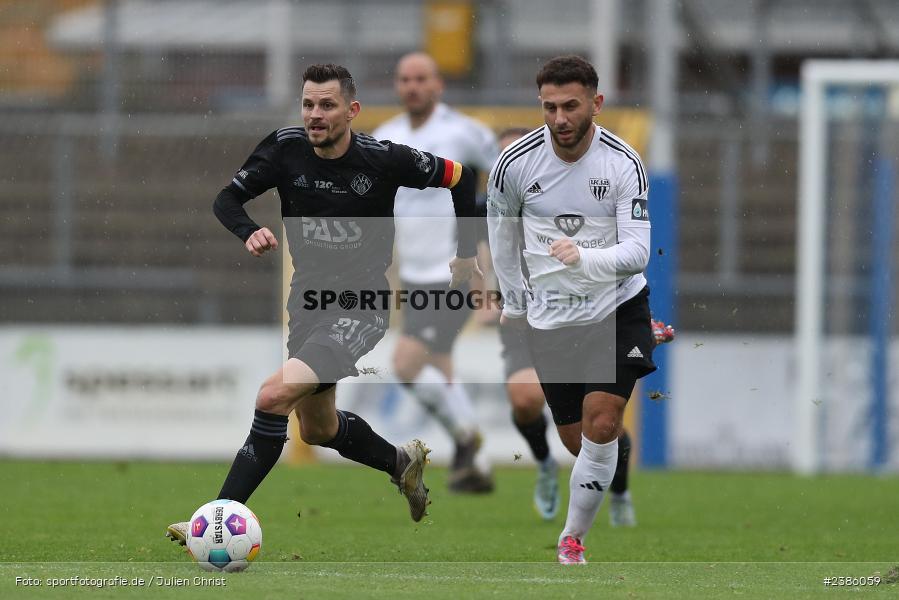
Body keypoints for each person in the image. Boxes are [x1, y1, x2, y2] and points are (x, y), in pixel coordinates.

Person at [166, 63, 481, 544]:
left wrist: (463, 256)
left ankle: (214, 517)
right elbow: (226, 200)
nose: (315, 114)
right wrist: (249, 230)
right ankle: (401, 462)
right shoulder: (284, 149)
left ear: (352, 111)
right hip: (308, 304)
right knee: (316, 428)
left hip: (362, 306)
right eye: (309, 104)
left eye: (327, 105)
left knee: (272, 397)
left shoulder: (383, 159)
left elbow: (461, 178)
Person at [487, 56, 658, 564]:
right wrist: (514, 300)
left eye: (570, 106)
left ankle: (571, 539)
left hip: (618, 306)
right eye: (549, 107)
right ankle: (603, 483)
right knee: (577, 440)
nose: (559, 118)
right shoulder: (514, 164)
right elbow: (500, 238)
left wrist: (585, 256)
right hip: (553, 315)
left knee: (602, 421)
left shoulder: (623, 163)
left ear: (596, 104)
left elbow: (638, 252)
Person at [373, 52, 498, 493]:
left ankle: (467, 439)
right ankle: (474, 462)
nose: (412, 86)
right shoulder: (386, 137)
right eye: (405, 79)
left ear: (438, 85)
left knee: (405, 363)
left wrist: (487, 267)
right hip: (414, 274)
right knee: (441, 365)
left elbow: (503, 180)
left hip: (455, 273)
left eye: (421, 78)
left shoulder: (464, 133)